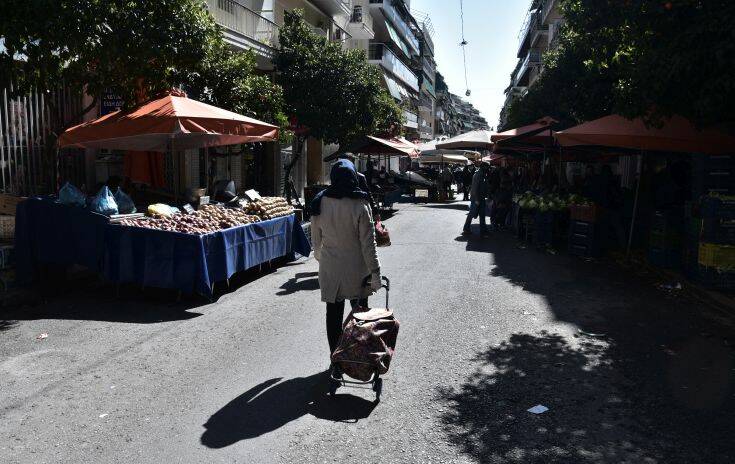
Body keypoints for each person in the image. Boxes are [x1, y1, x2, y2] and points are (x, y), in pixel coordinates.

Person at [310, 160, 382, 361]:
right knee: (360, 315)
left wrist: (321, 258)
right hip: (357, 271)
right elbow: (369, 245)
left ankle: (336, 357)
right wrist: (375, 272)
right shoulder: (361, 203)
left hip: (330, 270)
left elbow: (316, 243)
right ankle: (359, 357)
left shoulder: (319, 201)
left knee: (333, 315)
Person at [462, 162, 490, 236]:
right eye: (487, 167)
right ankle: (466, 228)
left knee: (482, 214)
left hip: (481, 198)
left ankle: (483, 230)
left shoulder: (482, 174)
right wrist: (477, 199)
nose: (488, 168)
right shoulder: (478, 175)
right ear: (483, 167)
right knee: (472, 213)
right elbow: (475, 188)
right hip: (476, 198)